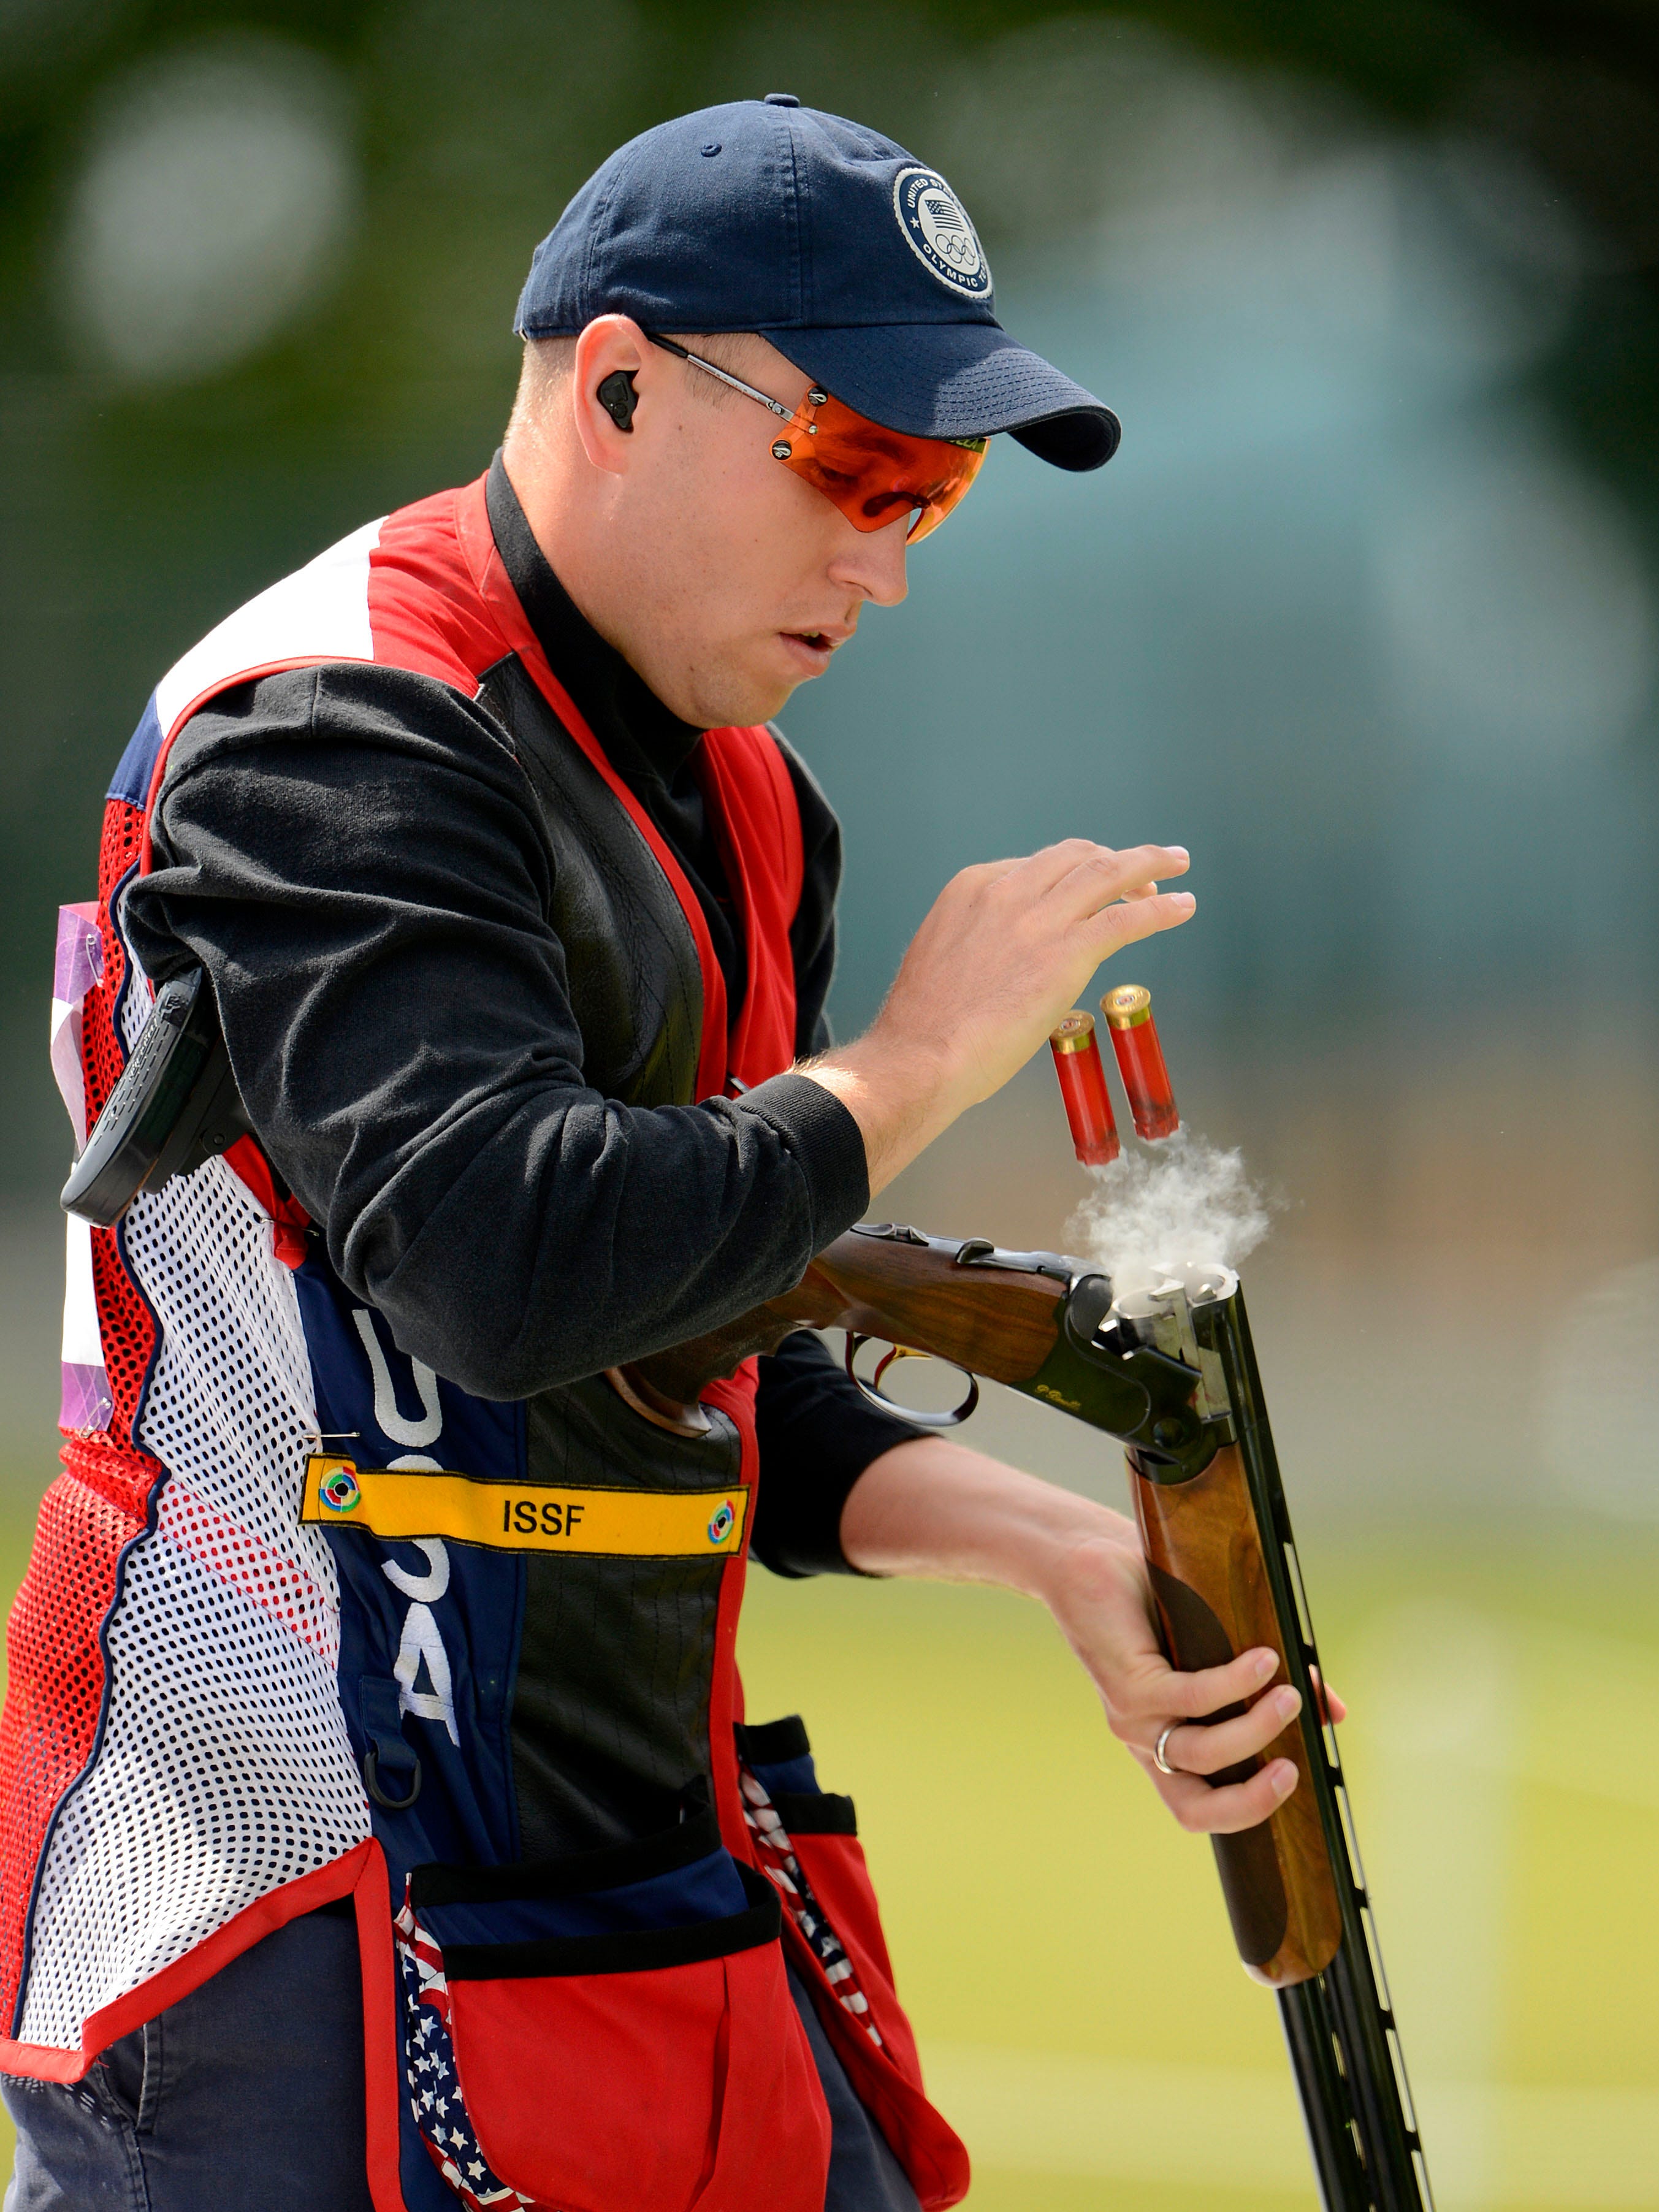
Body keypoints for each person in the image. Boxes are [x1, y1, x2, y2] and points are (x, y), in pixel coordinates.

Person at [1, 97, 1317, 2212]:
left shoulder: (751, 799)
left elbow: (688, 1344)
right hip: (279, 1890)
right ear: (616, 384)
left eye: (939, 492)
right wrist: (904, 1063)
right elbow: (513, 1265)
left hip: (635, 1853)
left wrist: (1057, 1549)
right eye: (852, 468)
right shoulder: (330, 723)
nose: (886, 560)